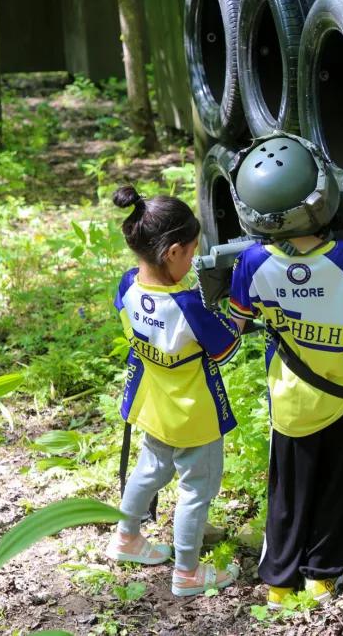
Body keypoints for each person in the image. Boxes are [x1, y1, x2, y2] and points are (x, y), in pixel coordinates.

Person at [226, 134, 343, 608]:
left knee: (287, 493)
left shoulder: (250, 261)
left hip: (289, 402)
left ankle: (279, 583)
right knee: (337, 488)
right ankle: (322, 577)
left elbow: (239, 319)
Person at [105, 185, 241, 597]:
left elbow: (128, 314)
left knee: (149, 471)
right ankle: (186, 571)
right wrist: (237, 313)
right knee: (196, 490)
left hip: (153, 404)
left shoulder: (129, 284)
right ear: (172, 253)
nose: (196, 257)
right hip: (194, 415)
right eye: (193, 249)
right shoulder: (188, 306)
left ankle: (126, 537)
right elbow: (227, 347)